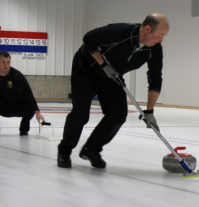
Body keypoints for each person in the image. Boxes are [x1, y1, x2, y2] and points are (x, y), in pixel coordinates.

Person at [57, 13, 169, 168]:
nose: (161, 40)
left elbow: (155, 78)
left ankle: (91, 149)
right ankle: (64, 150)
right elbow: (88, 39)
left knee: (118, 114)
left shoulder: (155, 49)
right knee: (81, 115)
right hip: (85, 70)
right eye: (160, 35)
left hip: (112, 76)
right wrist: (103, 64)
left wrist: (149, 111)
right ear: (148, 29)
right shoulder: (121, 31)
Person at [0, 51, 45, 135]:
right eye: (3, 62)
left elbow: (28, 94)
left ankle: (24, 130)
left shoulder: (17, 76)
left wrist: (37, 112)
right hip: (2, 105)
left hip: (17, 104)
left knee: (30, 108)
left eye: (8, 62)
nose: (6, 65)